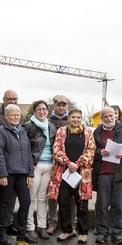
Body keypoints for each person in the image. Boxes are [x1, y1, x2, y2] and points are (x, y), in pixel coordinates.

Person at [47, 108, 95, 243]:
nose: (76, 120)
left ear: (82, 119)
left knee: (82, 202)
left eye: (78, 117)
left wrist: (78, 163)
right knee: (63, 202)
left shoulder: (88, 132)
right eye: (73, 117)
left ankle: (83, 232)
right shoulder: (61, 131)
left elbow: (91, 150)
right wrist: (68, 163)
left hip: (82, 173)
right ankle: (66, 230)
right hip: (64, 172)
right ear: (68, 118)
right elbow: (56, 150)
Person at [92, 106, 122, 244]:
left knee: (118, 205)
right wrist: (100, 152)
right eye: (105, 116)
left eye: (111, 115)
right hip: (103, 173)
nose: (109, 118)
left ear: (115, 115)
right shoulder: (97, 132)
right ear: (101, 117)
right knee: (102, 205)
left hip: (121, 173)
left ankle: (116, 233)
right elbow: (92, 149)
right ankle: (102, 233)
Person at [0, 104, 35, 245]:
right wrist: (2, 174)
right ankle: (2, 233)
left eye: (17, 114)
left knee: (26, 202)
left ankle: (22, 234)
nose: (16, 117)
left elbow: (28, 153)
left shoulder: (22, 131)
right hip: (8, 174)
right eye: (12, 114)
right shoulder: (1, 131)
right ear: (6, 116)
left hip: (22, 174)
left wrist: (30, 173)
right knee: (4, 203)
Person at [0, 89, 21, 237]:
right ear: (3, 99)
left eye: (15, 99)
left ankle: (7, 223)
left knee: (11, 196)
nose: (13, 101)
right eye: (10, 99)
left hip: (14, 165)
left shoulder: (21, 116)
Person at [24, 100, 57, 242]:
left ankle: (42, 226)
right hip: (35, 165)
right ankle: (30, 227)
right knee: (31, 198)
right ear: (34, 111)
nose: (42, 111)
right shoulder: (28, 126)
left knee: (43, 198)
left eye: (44, 109)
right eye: (39, 109)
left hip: (49, 165)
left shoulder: (51, 126)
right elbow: (24, 148)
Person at [45, 94, 72, 235]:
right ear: (54, 105)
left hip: (70, 164)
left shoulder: (72, 120)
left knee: (71, 194)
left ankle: (71, 224)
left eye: (64, 105)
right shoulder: (49, 121)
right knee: (53, 194)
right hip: (54, 162)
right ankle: (52, 222)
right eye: (59, 105)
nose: (61, 107)